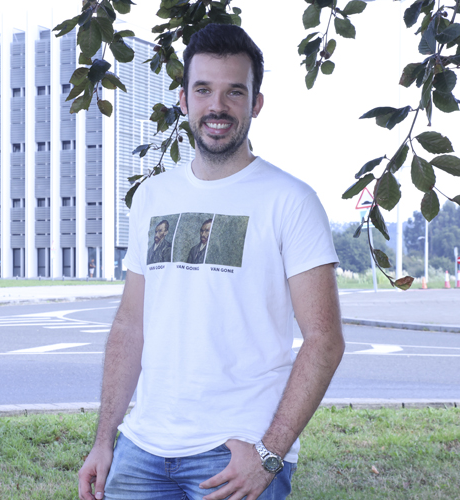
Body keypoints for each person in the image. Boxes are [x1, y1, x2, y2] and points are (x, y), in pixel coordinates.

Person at [78, 23, 344, 500]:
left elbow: (324, 340)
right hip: (141, 449)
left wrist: (270, 453)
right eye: (203, 90)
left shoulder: (291, 200)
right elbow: (130, 325)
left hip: (236, 454)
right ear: (183, 100)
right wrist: (104, 439)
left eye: (234, 92)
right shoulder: (153, 197)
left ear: (256, 103)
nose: (217, 106)